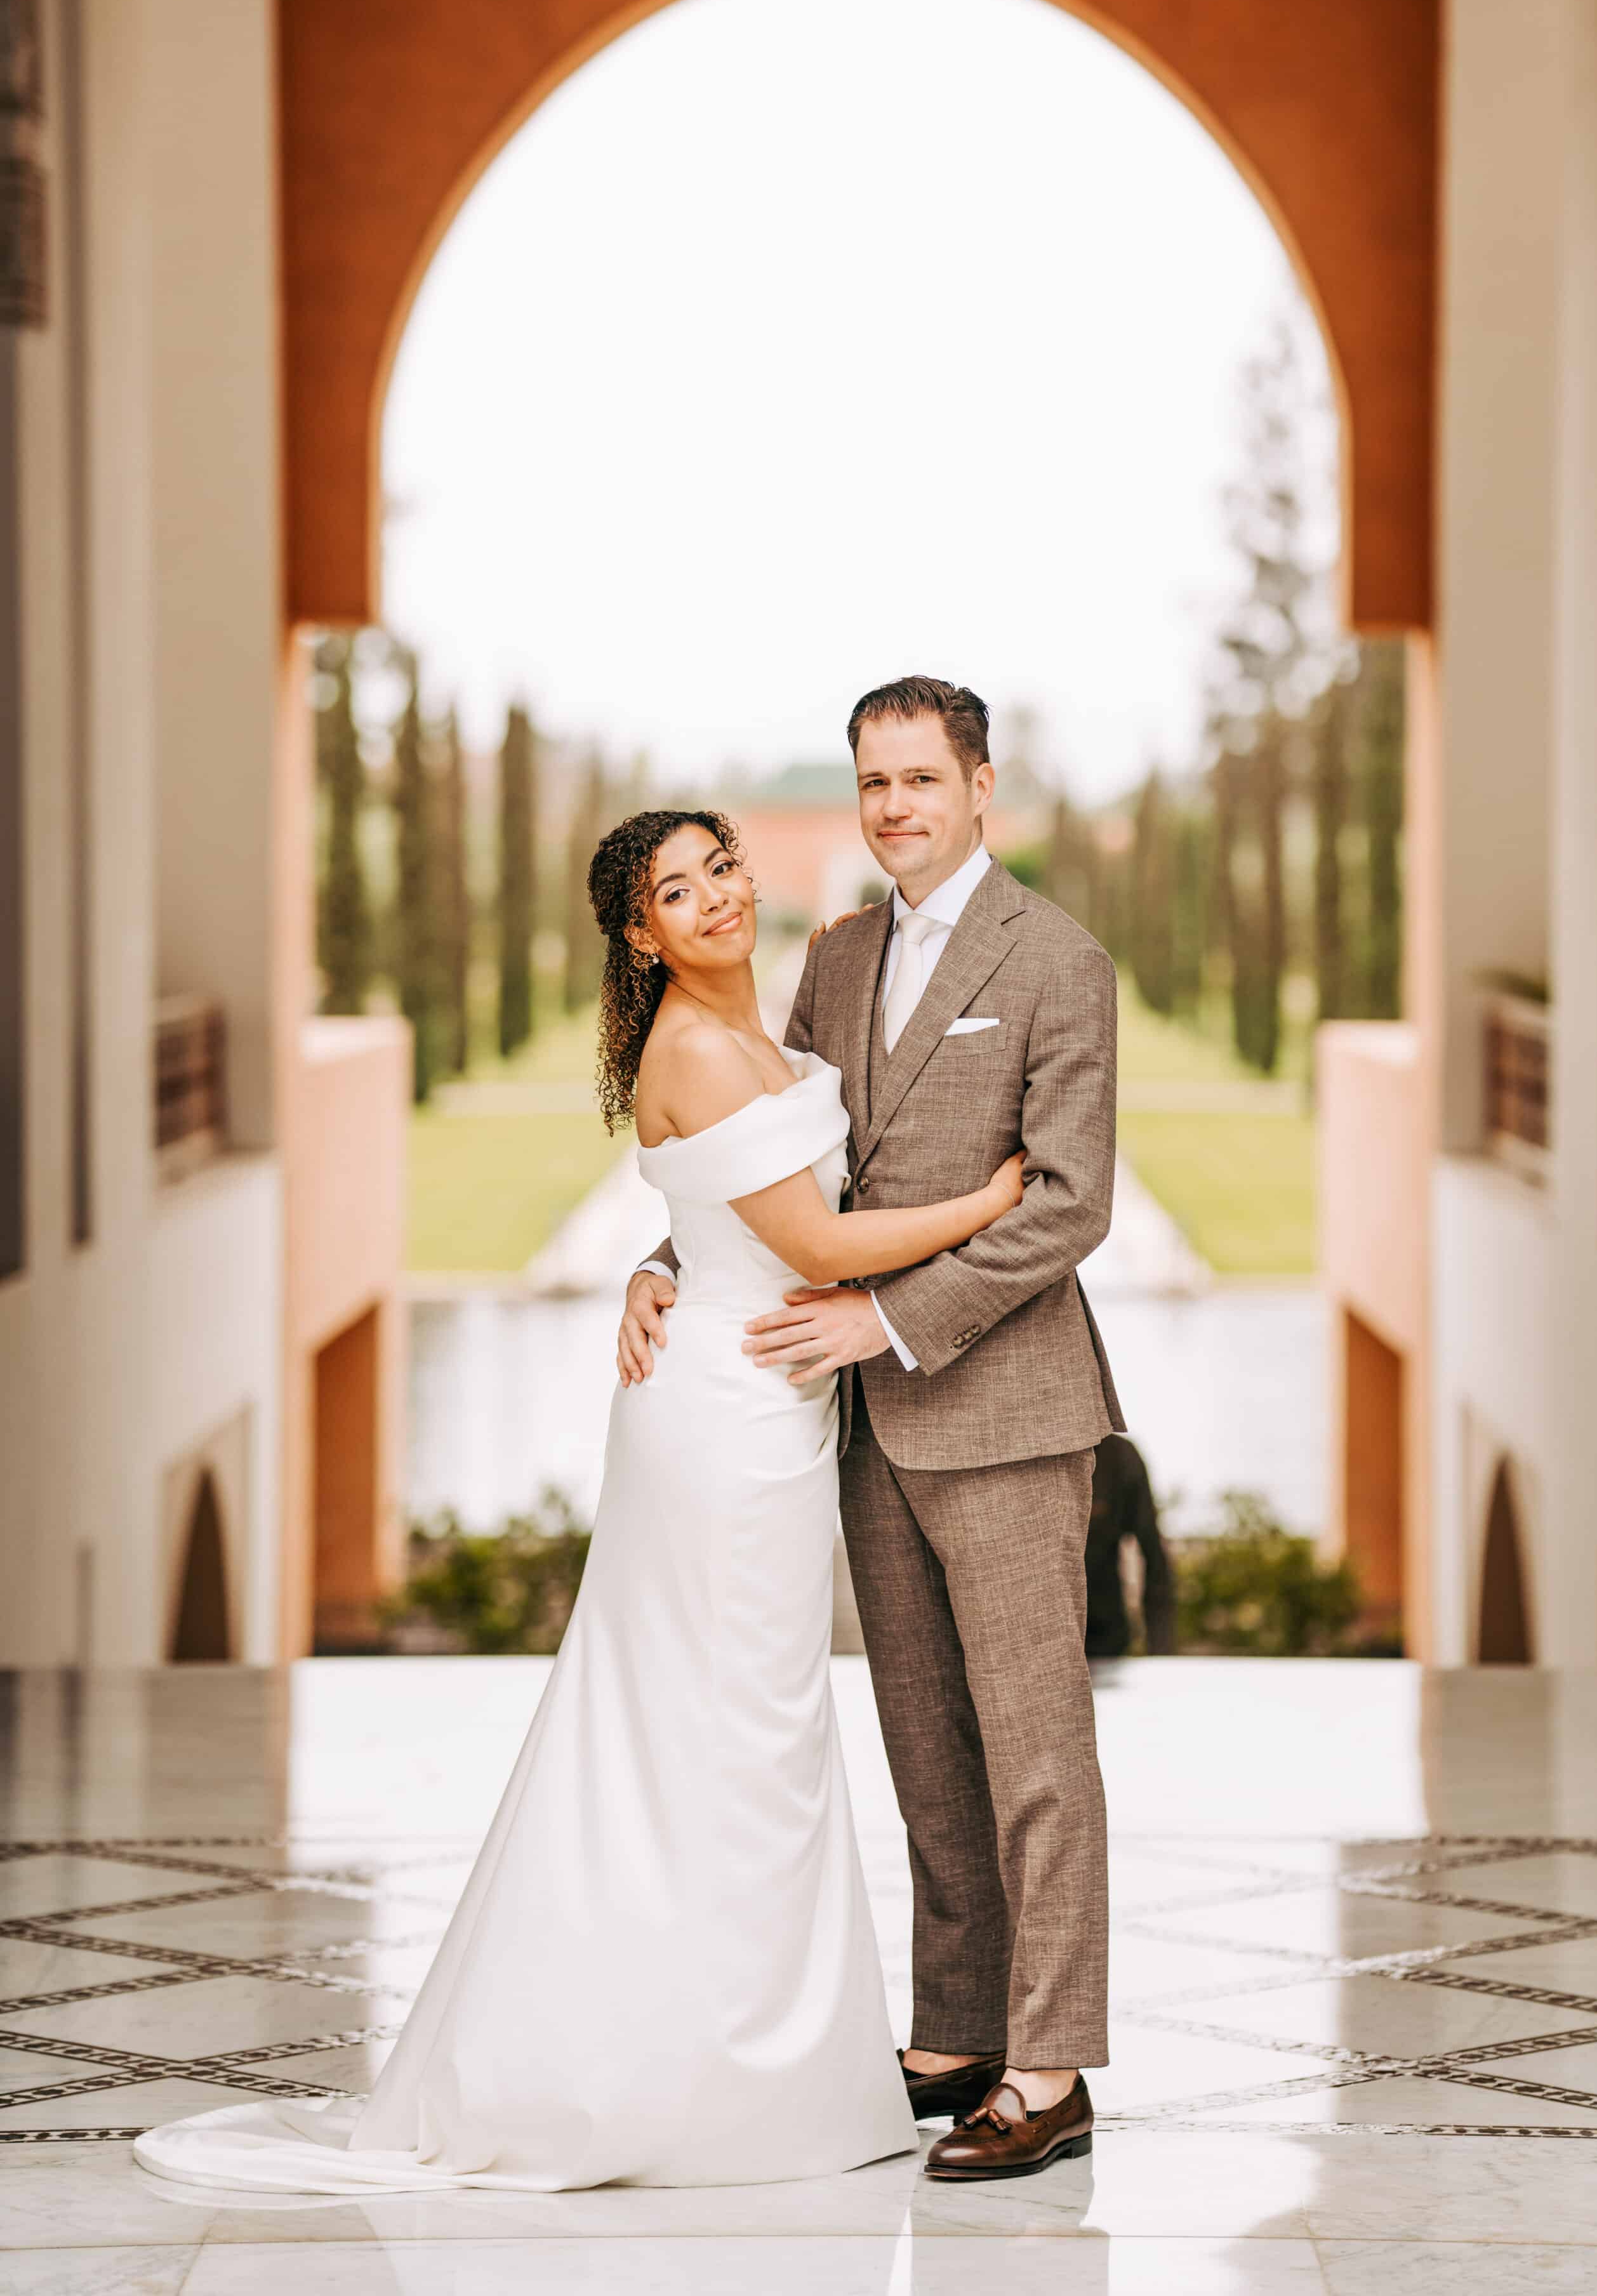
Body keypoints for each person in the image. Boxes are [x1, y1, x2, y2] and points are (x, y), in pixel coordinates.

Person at [131, 805, 1028, 2196]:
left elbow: (731, 1215)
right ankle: (707, 2081)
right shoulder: (688, 1045)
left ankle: (748, 2059)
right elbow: (818, 1240)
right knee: (726, 1731)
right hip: (723, 1433)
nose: (717, 896)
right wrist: (994, 1199)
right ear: (639, 931)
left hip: (765, 1412)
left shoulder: (758, 1027)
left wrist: (653, 1260)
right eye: (679, 890)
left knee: (741, 1731)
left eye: (721, 866)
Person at [621, 677, 1122, 2184]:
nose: (894, 805)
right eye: (872, 781)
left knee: (1035, 1748)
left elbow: (1070, 1197)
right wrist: (663, 1266)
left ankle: (1047, 2065)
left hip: (1003, 1407)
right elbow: (766, 1167)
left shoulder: (1056, 959)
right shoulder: (835, 956)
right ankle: (956, 2027)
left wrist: (886, 1320)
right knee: (923, 1738)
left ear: (980, 786)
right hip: (859, 1429)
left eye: (920, 776)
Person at [1085, 1432, 1176, 1659]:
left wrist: (1160, 1652)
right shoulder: (1017, 1450)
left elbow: (1155, 1557)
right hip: (1027, 1642)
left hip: (1103, 1639)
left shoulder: (1118, 1456)